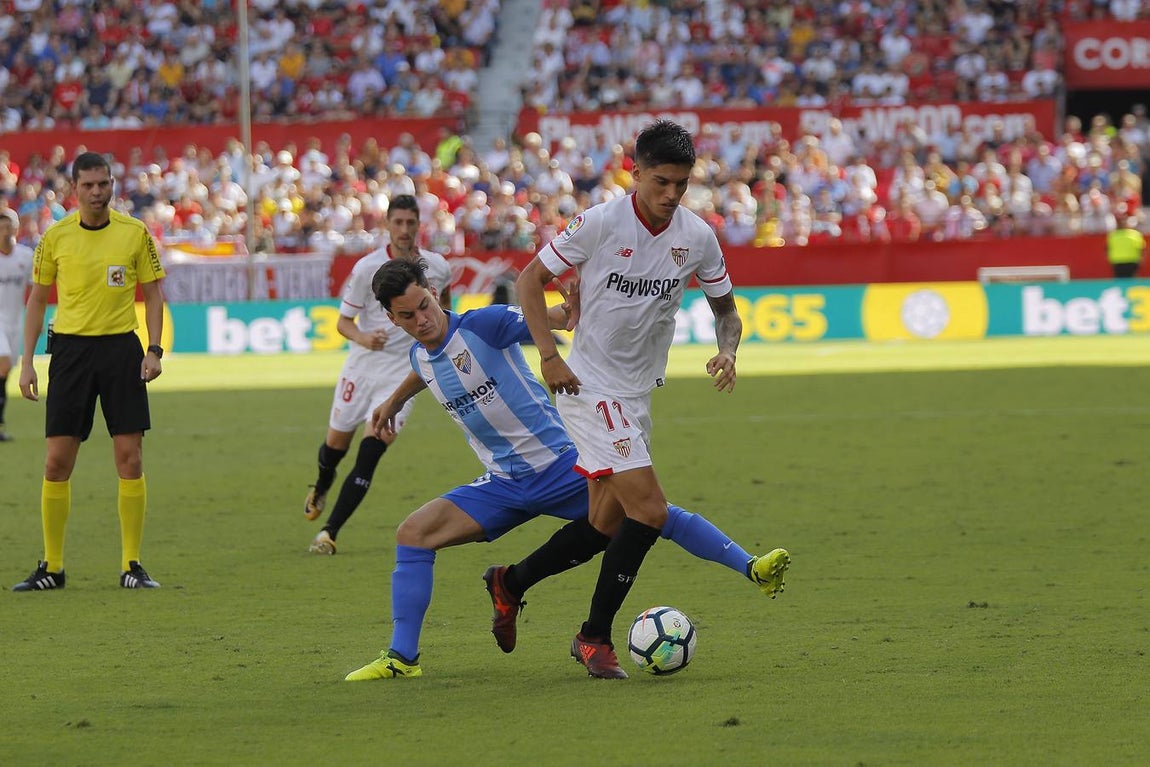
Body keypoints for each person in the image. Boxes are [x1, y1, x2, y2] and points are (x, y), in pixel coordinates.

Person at [343, 259, 786, 681]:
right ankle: (403, 657)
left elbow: (549, 317)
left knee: (655, 514)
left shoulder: (484, 323)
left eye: (425, 306)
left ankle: (750, 566)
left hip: (560, 466)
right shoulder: (420, 357)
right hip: (503, 483)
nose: (423, 320)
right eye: (408, 315)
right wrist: (394, 401)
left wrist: (566, 310)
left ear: (435, 293)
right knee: (412, 534)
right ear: (393, 319)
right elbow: (426, 368)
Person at [515, 119, 790, 679]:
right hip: (586, 385)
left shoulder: (698, 237)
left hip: (637, 394)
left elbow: (727, 311)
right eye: (660, 182)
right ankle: (593, 638)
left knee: (605, 526)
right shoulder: (598, 222)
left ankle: (509, 581)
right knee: (651, 510)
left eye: (681, 185)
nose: (670, 195)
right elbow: (528, 280)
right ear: (634, 172)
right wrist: (548, 356)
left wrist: (728, 350)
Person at [13, 151, 166, 592]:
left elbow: (153, 295)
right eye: (89, 186)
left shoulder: (134, 233)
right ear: (74, 189)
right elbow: (38, 300)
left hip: (121, 350)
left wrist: (154, 349)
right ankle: (53, 567)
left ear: (113, 185)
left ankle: (132, 565)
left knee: (130, 458)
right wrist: (27, 363)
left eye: (104, 184)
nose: (97, 193)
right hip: (71, 353)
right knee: (57, 461)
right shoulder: (55, 237)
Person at [302, 194, 452, 554]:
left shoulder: (438, 266)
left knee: (370, 452)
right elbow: (342, 322)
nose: (404, 230)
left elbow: (445, 310)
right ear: (387, 224)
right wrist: (364, 338)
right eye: (397, 222)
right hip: (363, 367)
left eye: (410, 223)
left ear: (419, 225)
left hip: (403, 375)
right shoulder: (367, 268)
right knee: (334, 448)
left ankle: (329, 532)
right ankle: (322, 483)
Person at [0, 208, 34, 442]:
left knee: (5, 371)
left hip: (15, 322)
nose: (4, 231)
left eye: (8, 226)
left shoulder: (26, 256)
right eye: (0, 227)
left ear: (17, 227)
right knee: (2, 363)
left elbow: (34, 292)